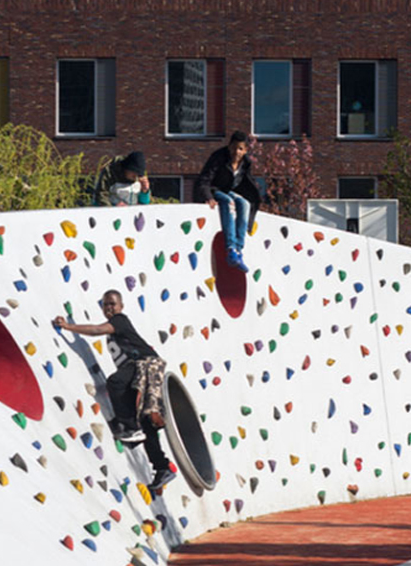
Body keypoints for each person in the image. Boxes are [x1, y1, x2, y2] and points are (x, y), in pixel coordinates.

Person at [54, 290, 176, 489]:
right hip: (139, 371)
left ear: (121, 306)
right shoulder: (116, 329)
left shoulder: (120, 320)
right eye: (106, 304)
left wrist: (68, 326)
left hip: (146, 365)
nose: (109, 307)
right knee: (146, 420)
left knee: (116, 382)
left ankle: (130, 427)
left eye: (112, 303)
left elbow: (96, 329)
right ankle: (162, 467)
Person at [195, 130, 261, 274]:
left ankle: (238, 249)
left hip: (227, 190)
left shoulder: (245, 163)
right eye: (234, 147)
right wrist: (208, 197)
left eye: (240, 149)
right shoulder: (218, 157)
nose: (236, 152)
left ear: (245, 150)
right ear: (229, 146)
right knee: (228, 201)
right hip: (214, 189)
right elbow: (204, 179)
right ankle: (231, 248)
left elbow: (247, 183)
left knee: (244, 204)